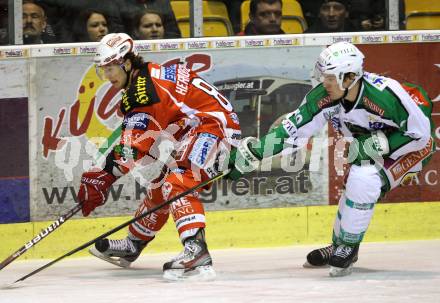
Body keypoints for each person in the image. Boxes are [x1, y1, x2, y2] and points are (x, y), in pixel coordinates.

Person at [226, 42, 435, 277]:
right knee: (355, 180)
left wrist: (382, 145)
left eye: (330, 77)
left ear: (349, 77)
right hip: (373, 141)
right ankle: (340, 245)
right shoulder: (326, 96)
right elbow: (293, 132)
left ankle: (347, 247)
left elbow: (421, 134)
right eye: (323, 76)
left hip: (412, 145)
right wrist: (254, 153)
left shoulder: (385, 94)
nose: (324, 82)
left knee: (364, 176)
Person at [77, 33, 240, 280]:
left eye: (111, 68)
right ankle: (133, 243)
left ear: (127, 63)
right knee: (162, 186)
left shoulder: (142, 92)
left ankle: (196, 251)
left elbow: (134, 146)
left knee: (179, 181)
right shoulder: (149, 75)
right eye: (103, 70)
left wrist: (105, 176)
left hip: (213, 129)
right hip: (204, 127)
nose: (107, 76)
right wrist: (108, 173)